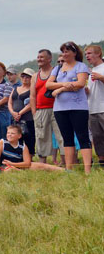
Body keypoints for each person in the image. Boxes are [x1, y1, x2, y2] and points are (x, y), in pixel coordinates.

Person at [46, 41, 92, 173]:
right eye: (63, 51)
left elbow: (80, 83)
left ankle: (87, 169)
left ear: (74, 53)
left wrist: (59, 89)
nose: (64, 54)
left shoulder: (81, 66)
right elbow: (48, 85)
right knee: (67, 138)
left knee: (83, 136)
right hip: (60, 108)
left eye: (67, 51)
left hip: (78, 107)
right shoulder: (58, 68)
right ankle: (69, 168)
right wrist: (66, 84)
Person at [30, 49, 64, 164]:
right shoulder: (35, 76)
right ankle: (42, 163)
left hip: (57, 108)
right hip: (41, 110)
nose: (39, 59)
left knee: (61, 135)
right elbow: (32, 95)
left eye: (42, 57)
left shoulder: (57, 72)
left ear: (49, 59)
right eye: (38, 57)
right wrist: (34, 112)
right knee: (41, 136)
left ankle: (66, 163)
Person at [0, 125, 64, 174]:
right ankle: (25, 174)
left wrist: (12, 164)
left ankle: (64, 170)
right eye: (8, 133)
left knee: (40, 165)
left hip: (20, 165)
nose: (9, 135)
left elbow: (27, 163)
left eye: (12, 133)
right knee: (10, 170)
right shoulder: (2, 143)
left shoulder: (23, 146)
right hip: (6, 167)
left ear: (19, 136)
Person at [8, 68, 36, 155]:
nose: (25, 78)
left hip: (27, 118)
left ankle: (29, 158)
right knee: (15, 139)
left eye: (28, 77)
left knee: (29, 139)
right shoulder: (16, 88)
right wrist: (12, 112)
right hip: (15, 119)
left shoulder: (32, 89)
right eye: (23, 76)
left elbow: (32, 103)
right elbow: (10, 102)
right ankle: (17, 158)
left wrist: (20, 113)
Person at [85, 45, 104, 167]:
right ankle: (102, 161)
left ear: (98, 54)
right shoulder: (89, 71)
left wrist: (101, 78)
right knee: (97, 137)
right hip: (92, 108)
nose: (87, 56)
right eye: (86, 54)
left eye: (89, 53)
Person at [0, 61, 13, 141]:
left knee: (3, 136)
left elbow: (5, 99)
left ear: (4, 72)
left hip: (2, 114)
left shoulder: (7, 85)